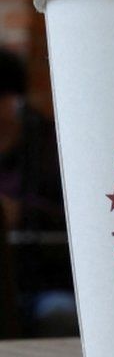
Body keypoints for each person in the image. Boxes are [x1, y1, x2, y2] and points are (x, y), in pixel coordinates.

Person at [0, 47, 75, 336]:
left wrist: (21, 214)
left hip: (45, 285)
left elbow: (82, 221)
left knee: (59, 313)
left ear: (12, 100)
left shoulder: (51, 147)